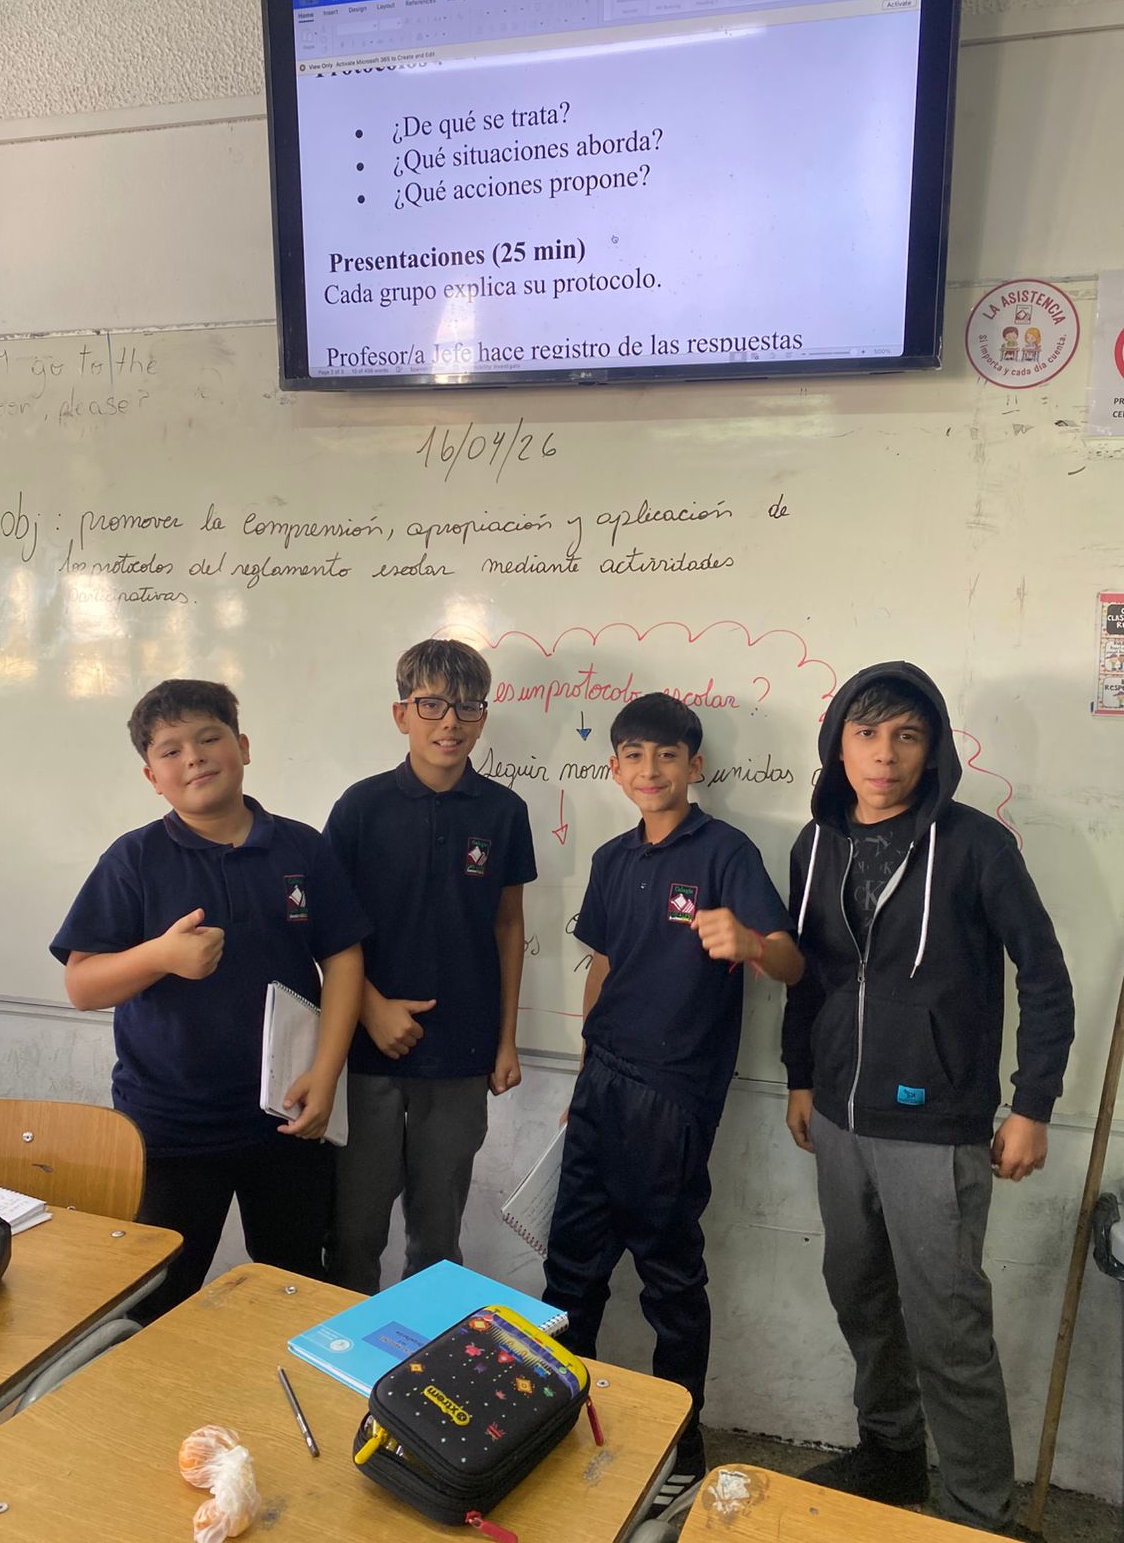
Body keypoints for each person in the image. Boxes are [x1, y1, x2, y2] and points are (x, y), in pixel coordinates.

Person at [781, 662, 1075, 1533]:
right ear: (838, 745)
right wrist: (800, 1076)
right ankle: (891, 1452)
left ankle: (980, 1511)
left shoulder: (977, 845)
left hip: (936, 1124)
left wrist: (1032, 1105)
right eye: (867, 734)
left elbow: (1045, 975)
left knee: (947, 1324)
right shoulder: (815, 844)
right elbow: (810, 975)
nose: (886, 754)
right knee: (860, 1297)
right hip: (838, 1115)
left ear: (933, 747)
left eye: (907, 736)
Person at [542, 692, 803, 1512]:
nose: (649, 769)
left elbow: (791, 960)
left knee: (668, 1278)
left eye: (666, 755)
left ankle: (682, 1450)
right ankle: (556, 1422)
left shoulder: (724, 851)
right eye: (634, 755)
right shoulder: (613, 858)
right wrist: (585, 1072)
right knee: (569, 1271)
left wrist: (751, 944)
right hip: (603, 1086)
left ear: (695, 766)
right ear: (615, 768)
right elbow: (604, 965)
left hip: (673, 1095)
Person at [51, 679, 368, 1319]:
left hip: (286, 1116)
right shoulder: (134, 859)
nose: (193, 757)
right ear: (152, 777)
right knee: (156, 1298)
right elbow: (82, 985)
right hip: (169, 1126)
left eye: (208, 738)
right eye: (171, 750)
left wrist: (327, 1074)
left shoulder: (302, 848)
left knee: (294, 1288)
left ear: (242, 747)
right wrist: (160, 957)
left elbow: (342, 957)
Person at [323, 638, 537, 1295]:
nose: (451, 721)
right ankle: (346, 1354)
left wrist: (505, 1041)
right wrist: (372, 1009)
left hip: (461, 1056)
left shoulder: (504, 812)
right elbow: (327, 930)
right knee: (354, 1233)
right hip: (368, 1056)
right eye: (432, 705)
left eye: (468, 707)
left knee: (438, 1238)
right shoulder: (360, 808)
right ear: (401, 714)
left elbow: (507, 925)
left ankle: (425, 1356)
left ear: (483, 717)